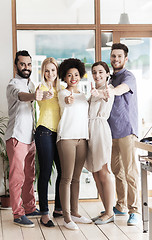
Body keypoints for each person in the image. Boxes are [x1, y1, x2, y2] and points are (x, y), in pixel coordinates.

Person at [5, 50, 43, 227]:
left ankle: (29, 207)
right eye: (22, 64)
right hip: (16, 137)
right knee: (17, 177)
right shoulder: (13, 85)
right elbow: (21, 97)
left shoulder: (31, 83)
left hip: (30, 138)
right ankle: (18, 214)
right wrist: (34, 96)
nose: (26, 68)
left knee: (29, 176)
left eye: (28, 64)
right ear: (16, 66)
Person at [104, 43, 140, 226]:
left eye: (119, 56)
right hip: (111, 132)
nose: (115, 59)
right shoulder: (110, 78)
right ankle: (121, 205)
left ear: (125, 59)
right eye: (113, 56)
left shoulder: (128, 76)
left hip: (126, 130)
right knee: (116, 170)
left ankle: (135, 211)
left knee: (130, 172)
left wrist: (109, 91)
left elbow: (122, 89)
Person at [57, 58, 92, 230]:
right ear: (64, 77)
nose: (73, 78)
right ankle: (66, 217)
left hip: (82, 139)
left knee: (77, 178)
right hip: (67, 139)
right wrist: (69, 101)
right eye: (69, 75)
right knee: (67, 178)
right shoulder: (63, 94)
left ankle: (76, 213)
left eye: (76, 75)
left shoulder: (84, 96)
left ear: (80, 75)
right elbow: (67, 102)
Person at [85, 61, 115, 225]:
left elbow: (107, 96)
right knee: (95, 173)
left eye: (101, 72)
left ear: (107, 74)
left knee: (104, 171)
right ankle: (106, 210)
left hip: (101, 130)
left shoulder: (108, 90)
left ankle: (110, 212)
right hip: (90, 131)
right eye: (94, 72)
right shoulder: (93, 92)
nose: (97, 75)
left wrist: (101, 94)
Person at [35, 57, 63, 228]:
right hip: (44, 131)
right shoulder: (41, 88)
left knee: (62, 171)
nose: (50, 73)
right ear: (43, 72)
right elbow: (40, 98)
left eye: (53, 70)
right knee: (45, 172)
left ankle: (59, 208)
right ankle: (44, 213)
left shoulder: (62, 89)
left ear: (57, 71)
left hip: (60, 134)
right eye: (47, 70)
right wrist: (45, 95)